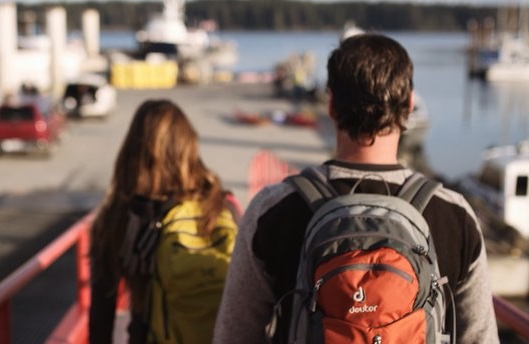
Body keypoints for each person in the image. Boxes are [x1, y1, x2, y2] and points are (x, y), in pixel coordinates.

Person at [213, 34, 499, 343]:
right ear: (409, 105)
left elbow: (234, 333)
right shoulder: (455, 216)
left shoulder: (271, 210)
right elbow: (480, 337)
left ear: (331, 104)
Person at [89, 99, 240, 343]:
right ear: (189, 146)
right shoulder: (222, 206)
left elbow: (101, 315)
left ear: (133, 151)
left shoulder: (120, 216)